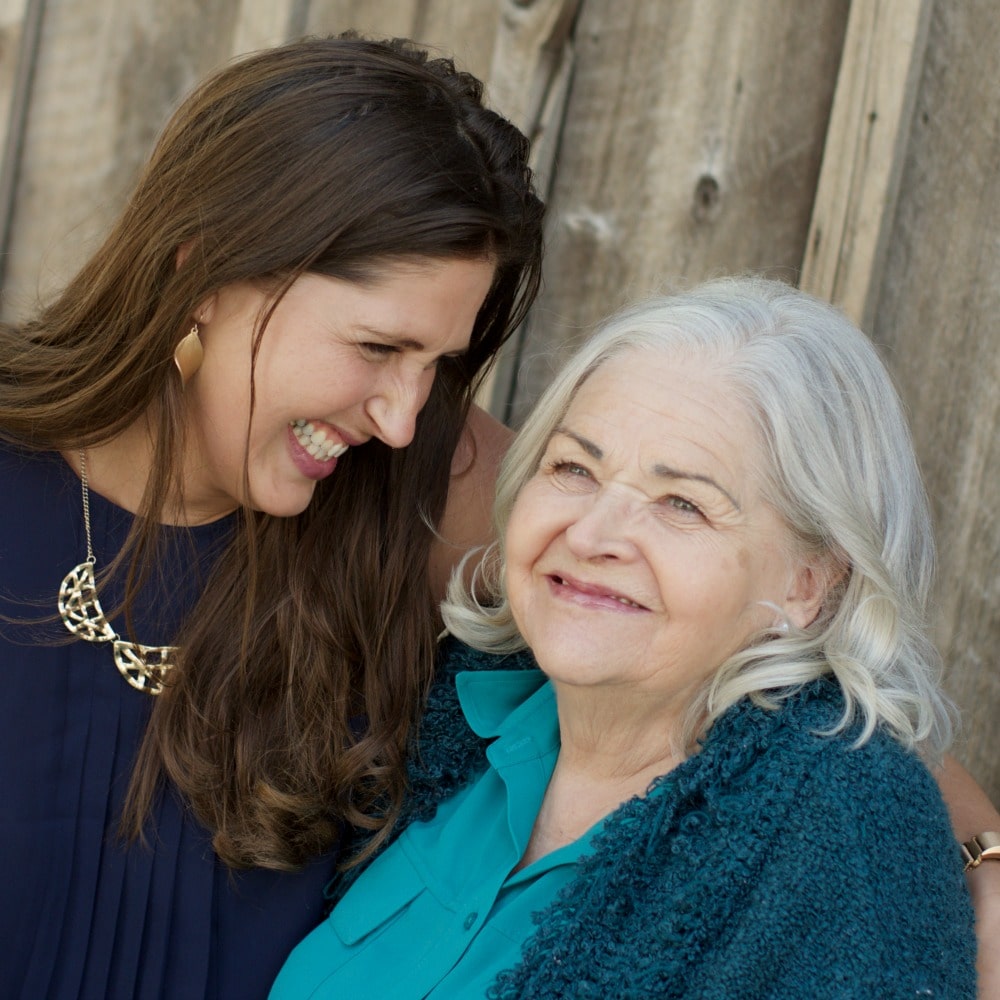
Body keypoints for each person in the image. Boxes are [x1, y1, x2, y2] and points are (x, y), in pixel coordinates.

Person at [0, 33, 543, 999]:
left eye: (441, 365)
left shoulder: (430, 493)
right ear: (204, 272)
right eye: (379, 346)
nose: (402, 417)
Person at [271, 276, 979, 999]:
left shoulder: (839, 840)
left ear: (808, 583)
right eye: (575, 468)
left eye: (681, 504)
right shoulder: (447, 715)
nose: (591, 534)